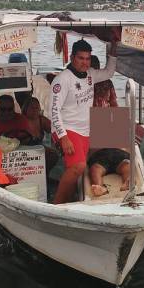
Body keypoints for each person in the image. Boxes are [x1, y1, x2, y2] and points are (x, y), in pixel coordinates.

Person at [50, 39, 117, 204]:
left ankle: (70, 199)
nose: (85, 62)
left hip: (84, 131)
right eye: (81, 58)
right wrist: (63, 137)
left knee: (77, 170)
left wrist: (113, 50)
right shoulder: (62, 79)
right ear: (72, 57)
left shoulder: (90, 75)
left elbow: (109, 72)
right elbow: (54, 110)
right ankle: (57, 205)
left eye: (88, 59)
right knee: (78, 166)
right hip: (67, 129)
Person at [20, 97, 58, 171]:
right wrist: (43, 148)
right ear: (25, 109)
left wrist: (57, 141)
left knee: (53, 155)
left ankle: (45, 175)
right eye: (32, 108)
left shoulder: (41, 120)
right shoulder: (20, 120)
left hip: (39, 150)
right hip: (22, 153)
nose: (35, 110)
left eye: (37, 108)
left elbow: (55, 130)